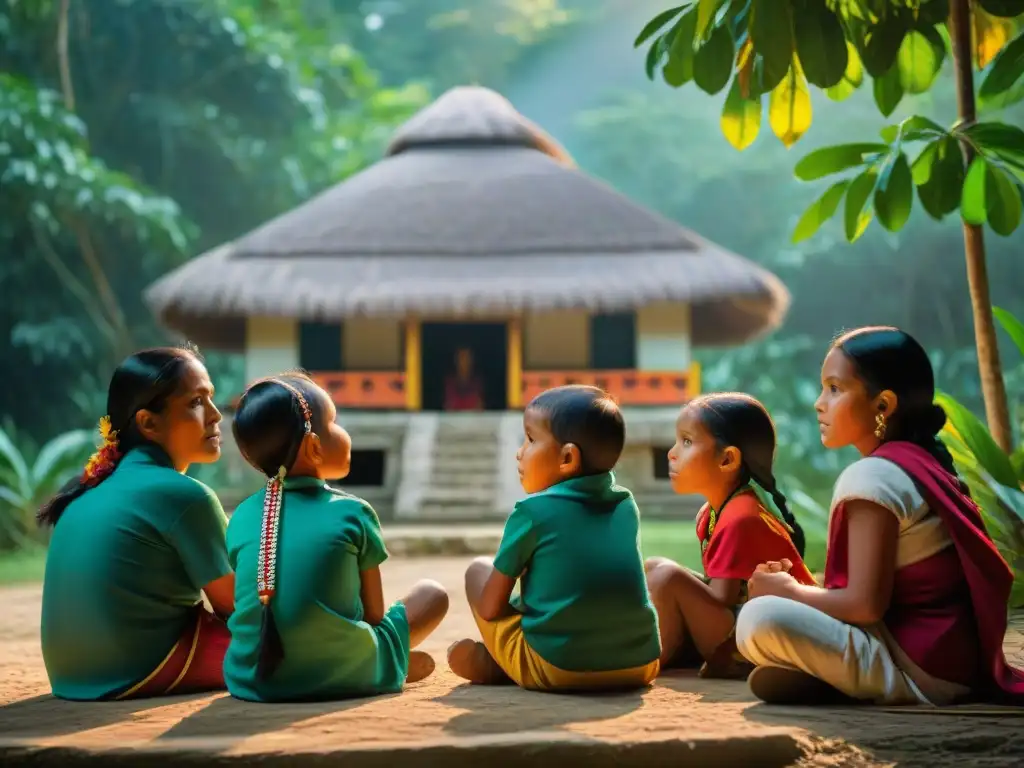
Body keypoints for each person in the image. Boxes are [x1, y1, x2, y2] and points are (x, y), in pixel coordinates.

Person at [736, 327, 1024, 706]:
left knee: (758, 617)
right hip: (955, 662)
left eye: (835, 389)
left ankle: (864, 681)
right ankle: (835, 674)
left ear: (883, 406)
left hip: (920, 670)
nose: (819, 403)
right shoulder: (923, 463)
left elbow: (864, 606)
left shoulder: (873, 476)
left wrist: (788, 591)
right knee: (778, 609)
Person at [224, 372, 449, 702]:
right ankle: (379, 666)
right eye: (335, 422)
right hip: (345, 666)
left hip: (253, 677)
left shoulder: (240, 517)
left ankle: (381, 666)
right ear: (315, 445)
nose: (343, 432)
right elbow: (373, 617)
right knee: (433, 594)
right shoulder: (354, 512)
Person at [39, 345, 234, 701]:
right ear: (148, 422)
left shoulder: (85, 491)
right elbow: (238, 607)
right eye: (196, 402)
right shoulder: (184, 495)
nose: (216, 415)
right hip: (137, 668)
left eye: (211, 399)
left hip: (70, 674)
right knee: (288, 641)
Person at [447, 384, 661, 691]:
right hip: (640, 665)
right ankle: (502, 662)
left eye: (531, 439)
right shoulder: (626, 504)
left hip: (560, 669)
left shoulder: (532, 512)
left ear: (567, 458)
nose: (520, 452)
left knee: (477, 572)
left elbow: (490, 608)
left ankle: (501, 664)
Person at [645, 394, 815, 680]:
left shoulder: (741, 517)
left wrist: (672, 583)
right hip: (740, 622)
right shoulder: (713, 512)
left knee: (666, 577)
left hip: (766, 634)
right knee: (655, 568)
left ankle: (649, 657)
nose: (672, 453)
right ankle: (660, 648)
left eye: (687, 442)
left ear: (727, 459)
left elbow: (721, 597)